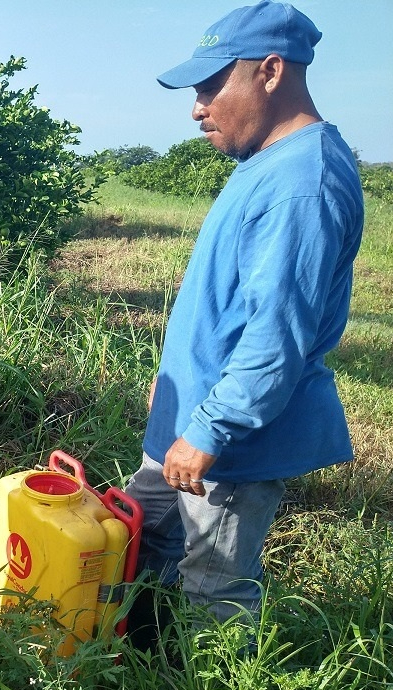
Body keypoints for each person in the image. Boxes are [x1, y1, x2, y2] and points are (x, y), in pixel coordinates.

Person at [125, 1, 364, 640]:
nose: (196, 107)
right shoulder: (263, 164)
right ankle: (135, 675)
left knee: (214, 591)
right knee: (133, 544)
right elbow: (229, 302)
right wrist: (176, 379)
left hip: (227, 447)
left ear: (270, 71)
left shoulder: (300, 184)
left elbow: (275, 338)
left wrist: (208, 429)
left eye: (210, 86)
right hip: (190, 425)